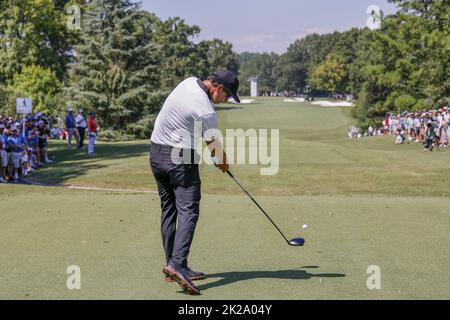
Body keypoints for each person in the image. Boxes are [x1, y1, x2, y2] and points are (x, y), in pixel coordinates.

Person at [149, 70, 240, 295]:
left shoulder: (188, 82)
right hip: (180, 160)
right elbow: (213, 146)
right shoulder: (207, 110)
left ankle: (173, 263)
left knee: (168, 210)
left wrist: (217, 157)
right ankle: (177, 264)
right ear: (218, 88)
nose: (225, 100)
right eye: (227, 96)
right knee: (189, 211)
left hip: (156, 154)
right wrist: (223, 163)